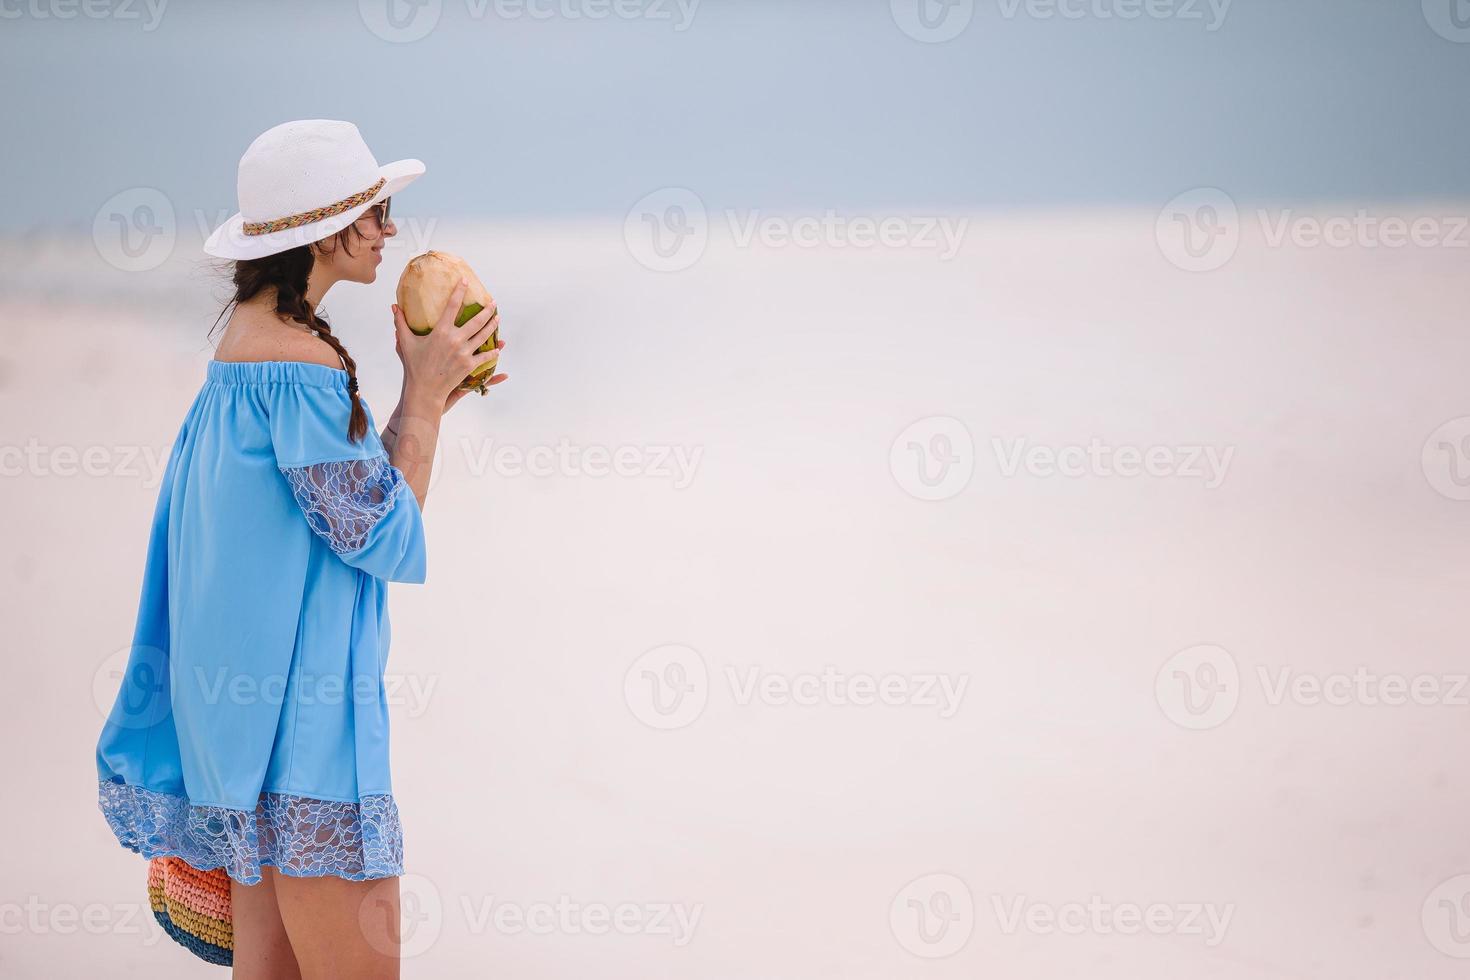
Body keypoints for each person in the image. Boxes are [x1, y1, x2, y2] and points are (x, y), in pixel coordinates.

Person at [95, 119, 506, 978]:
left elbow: (340, 511)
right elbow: (384, 536)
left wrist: (423, 400)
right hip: (314, 745)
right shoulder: (304, 373)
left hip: (247, 750)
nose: (390, 231)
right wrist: (423, 399)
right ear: (326, 230)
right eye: (376, 213)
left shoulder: (237, 365)